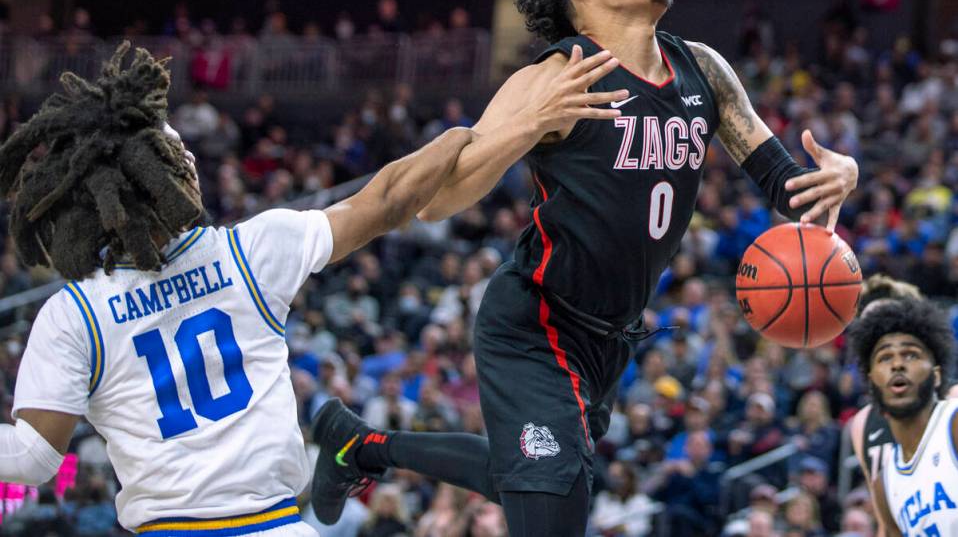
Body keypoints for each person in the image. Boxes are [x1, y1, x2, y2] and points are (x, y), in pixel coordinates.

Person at [311, 0, 858, 537]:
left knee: (532, 479)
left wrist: (840, 174)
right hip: (536, 322)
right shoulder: (553, 74)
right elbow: (438, 202)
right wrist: (532, 123)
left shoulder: (702, 69)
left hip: (610, 340)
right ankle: (358, 445)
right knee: (551, 503)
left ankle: (358, 444)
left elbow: (790, 190)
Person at [0, 42, 613, 535]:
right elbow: (389, 201)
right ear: (162, 177)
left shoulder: (72, 313)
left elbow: (32, 461)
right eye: (178, 155)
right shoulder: (247, 252)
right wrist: (464, 138)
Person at [845, 275, 958, 537]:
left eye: (911, 354)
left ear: (937, 374)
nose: (897, 364)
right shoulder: (885, 484)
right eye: (885, 357)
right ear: (871, 381)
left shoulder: (952, 422)